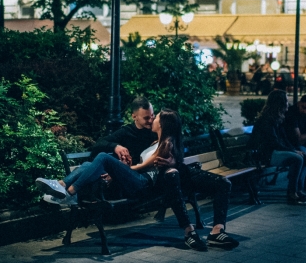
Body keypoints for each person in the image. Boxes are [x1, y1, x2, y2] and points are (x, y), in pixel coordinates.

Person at [36, 97, 238, 250]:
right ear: (134, 116)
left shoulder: (161, 139)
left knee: (103, 159)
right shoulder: (131, 133)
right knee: (96, 159)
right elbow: (98, 145)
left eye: (154, 117)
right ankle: (64, 189)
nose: (151, 120)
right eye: (148, 117)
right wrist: (116, 148)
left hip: (145, 182)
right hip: (131, 181)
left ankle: (67, 190)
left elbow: (166, 149)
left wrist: (127, 168)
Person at [249, 90, 306, 205]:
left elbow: (284, 139)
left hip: (273, 151)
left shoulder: (277, 118)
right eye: (286, 101)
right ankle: (292, 193)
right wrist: (293, 152)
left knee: (303, 155)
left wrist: (295, 150)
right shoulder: (266, 120)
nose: (288, 103)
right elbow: (274, 143)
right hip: (265, 154)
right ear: (280, 103)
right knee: (297, 158)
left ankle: (299, 189)